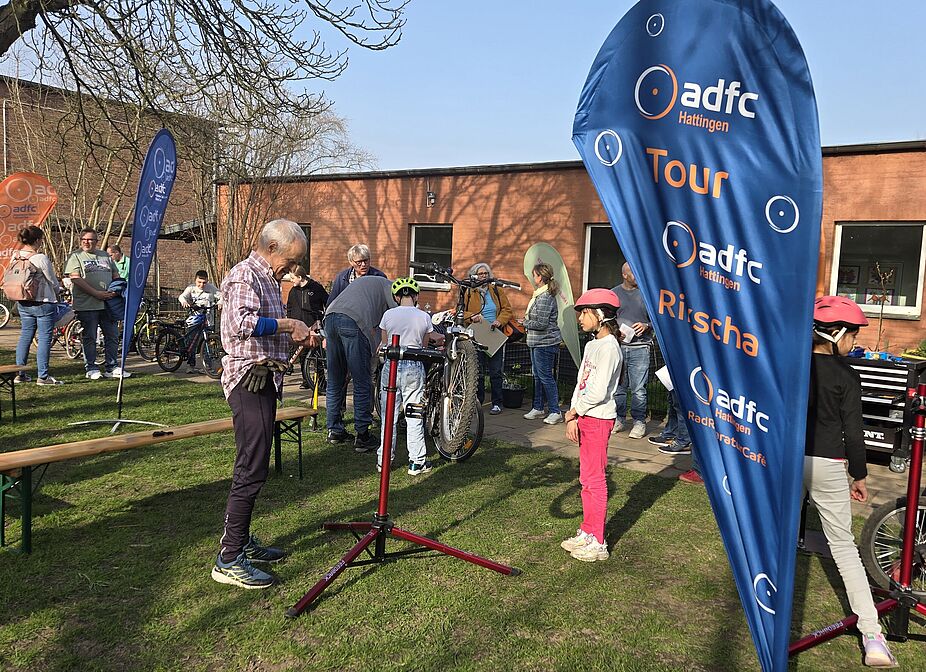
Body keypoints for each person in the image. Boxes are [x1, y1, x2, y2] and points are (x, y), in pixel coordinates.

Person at [212, 219, 315, 589]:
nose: (292, 268)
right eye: (290, 259)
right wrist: (289, 325)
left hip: (266, 378)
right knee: (251, 467)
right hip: (248, 382)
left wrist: (296, 341)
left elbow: (263, 334)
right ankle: (228, 558)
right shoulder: (245, 275)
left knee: (255, 465)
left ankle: (241, 541)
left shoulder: (268, 279)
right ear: (272, 248)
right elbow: (239, 325)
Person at [805, 295, 897, 667]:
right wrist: (859, 473)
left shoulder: (791, 367)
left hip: (786, 460)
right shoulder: (847, 375)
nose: (854, 342)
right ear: (836, 333)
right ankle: (873, 636)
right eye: (853, 336)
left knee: (772, 537)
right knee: (843, 546)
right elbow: (854, 433)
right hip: (827, 463)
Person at [560, 288, 623, 563]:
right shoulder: (592, 345)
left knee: (595, 480)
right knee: (585, 479)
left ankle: (598, 540)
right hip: (585, 416)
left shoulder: (610, 348)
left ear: (599, 315)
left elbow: (598, 393)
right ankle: (587, 531)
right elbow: (581, 382)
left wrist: (575, 411)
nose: (580, 319)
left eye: (584, 313)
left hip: (598, 419)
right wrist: (574, 415)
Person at [377, 277, 444, 475]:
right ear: (415, 296)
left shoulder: (388, 315)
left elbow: (384, 343)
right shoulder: (424, 317)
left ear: (397, 297)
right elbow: (424, 346)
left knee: (389, 415)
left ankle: (384, 460)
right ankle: (416, 461)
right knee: (414, 414)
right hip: (413, 365)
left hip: (392, 364)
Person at [324, 274, 396, 452]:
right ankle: (363, 435)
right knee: (362, 381)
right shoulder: (389, 287)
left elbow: (376, 329)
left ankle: (335, 430)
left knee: (335, 380)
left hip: (330, 317)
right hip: (352, 320)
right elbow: (397, 315)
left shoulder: (368, 285)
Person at [64, 228, 129, 380]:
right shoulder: (76, 256)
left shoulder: (105, 255)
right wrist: (96, 293)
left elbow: (115, 274)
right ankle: (91, 367)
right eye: (84, 239)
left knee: (112, 336)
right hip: (87, 304)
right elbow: (75, 278)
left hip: (108, 304)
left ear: (96, 241)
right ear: (80, 240)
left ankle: (111, 366)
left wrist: (114, 290)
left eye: (91, 239)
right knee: (90, 337)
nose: (87, 242)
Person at [11, 225, 65, 385]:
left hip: (23, 301)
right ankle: (43, 376)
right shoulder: (39, 258)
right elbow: (52, 280)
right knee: (44, 338)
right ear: (37, 240)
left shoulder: (16, 256)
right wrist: (58, 289)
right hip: (43, 302)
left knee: (25, 336)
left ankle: (20, 373)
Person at [463, 262, 512, 415]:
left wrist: (500, 321)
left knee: (495, 371)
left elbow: (507, 309)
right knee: (478, 372)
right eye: (480, 274)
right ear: (474, 276)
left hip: (494, 334)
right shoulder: (470, 292)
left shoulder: (496, 290)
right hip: (478, 334)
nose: (484, 276)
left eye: (486, 274)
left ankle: (497, 403)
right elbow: (462, 312)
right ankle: (478, 403)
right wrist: (472, 317)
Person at [611, 262, 653, 439]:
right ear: (624, 275)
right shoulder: (614, 294)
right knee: (619, 387)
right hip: (620, 347)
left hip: (641, 347)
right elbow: (608, 319)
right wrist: (615, 332)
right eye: (633, 272)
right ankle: (619, 419)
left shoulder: (646, 293)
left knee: (638, 388)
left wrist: (646, 325)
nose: (637, 275)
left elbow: (658, 319)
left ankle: (639, 422)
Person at [522, 263, 563, 424]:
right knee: (538, 377)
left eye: (534, 275)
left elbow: (541, 323)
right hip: (536, 342)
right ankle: (538, 407)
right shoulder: (539, 294)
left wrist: (524, 322)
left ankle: (555, 410)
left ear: (540, 277)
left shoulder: (545, 296)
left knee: (546, 377)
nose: (533, 278)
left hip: (545, 343)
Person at [286, 265, 328, 388]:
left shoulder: (316, 288)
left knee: (317, 355)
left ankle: (321, 381)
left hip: (313, 326)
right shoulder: (293, 291)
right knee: (303, 355)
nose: (291, 280)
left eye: (293, 278)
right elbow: (289, 307)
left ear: (300, 277)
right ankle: (306, 381)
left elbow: (328, 302)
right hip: (298, 329)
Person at [178, 270, 223, 373]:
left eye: (204, 282)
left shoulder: (211, 288)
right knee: (192, 343)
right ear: (195, 280)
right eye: (199, 282)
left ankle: (208, 366)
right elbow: (182, 296)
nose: (201, 285)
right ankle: (191, 365)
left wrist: (220, 303)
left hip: (208, 320)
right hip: (194, 320)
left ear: (207, 281)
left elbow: (222, 296)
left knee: (208, 343)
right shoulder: (191, 288)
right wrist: (184, 302)